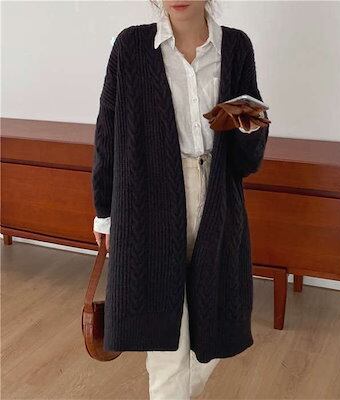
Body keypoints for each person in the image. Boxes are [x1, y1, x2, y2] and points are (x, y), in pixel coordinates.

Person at [92, 1, 269, 398]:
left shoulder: (236, 47)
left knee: (214, 332)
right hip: (147, 203)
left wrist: (250, 126)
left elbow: (247, 159)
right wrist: (104, 212)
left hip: (216, 200)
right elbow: (107, 131)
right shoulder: (131, 47)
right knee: (165, 344)